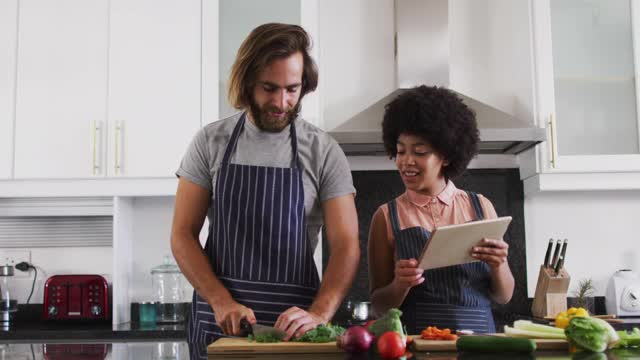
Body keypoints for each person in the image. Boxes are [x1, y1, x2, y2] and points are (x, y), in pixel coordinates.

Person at [171, 23, 359, 344]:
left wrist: (319, 314)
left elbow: (346, 245)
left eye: (292, 89)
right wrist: (220, 301)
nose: (281, 102)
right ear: (246, 82)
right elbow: (182, 234)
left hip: (295, 331)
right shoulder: (210, 142)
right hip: (222, 326)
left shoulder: (323, 151)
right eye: (269, 88)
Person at [368, 85, 514, 334]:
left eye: (420, 151)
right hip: (419, 341)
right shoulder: (386, 216)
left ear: (446, 156)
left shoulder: (481, 207)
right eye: (401, 151)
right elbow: (379, 305)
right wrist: (400, 285)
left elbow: (504, 296)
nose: (406, 161)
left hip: (479, 343)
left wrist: (499, 265)